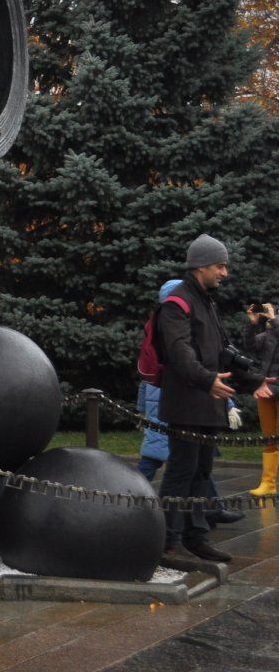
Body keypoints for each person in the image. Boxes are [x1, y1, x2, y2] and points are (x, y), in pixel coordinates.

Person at [156, 234, 235, 563]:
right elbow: (181, 354)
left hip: (207, 403)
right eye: (220, 266)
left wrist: (258, 378)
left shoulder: (206, 299)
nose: (224, 273)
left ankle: (195, 536)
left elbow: (221, 351)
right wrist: (207, 381)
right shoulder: (178, 302)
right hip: (188, 404)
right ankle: (169, 541)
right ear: (201, 266)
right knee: (181, 472)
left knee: (202, 472)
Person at [138, 279, 242, 525]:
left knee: (194, 467)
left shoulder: (165, 326)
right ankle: (148, 510)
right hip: (178, 409)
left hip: (164, 412)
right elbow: (196, 371)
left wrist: (141, 411)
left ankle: (208, 511)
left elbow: (145, 382)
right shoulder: (174, 323)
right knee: (178, 468)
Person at [243, 299, 279, 496]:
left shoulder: (275, 328)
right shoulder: (270, 334)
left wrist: (274, 322)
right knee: (269, 437)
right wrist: (252, 322)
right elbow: (250, 345)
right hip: (267, 388)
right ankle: (269, 483)